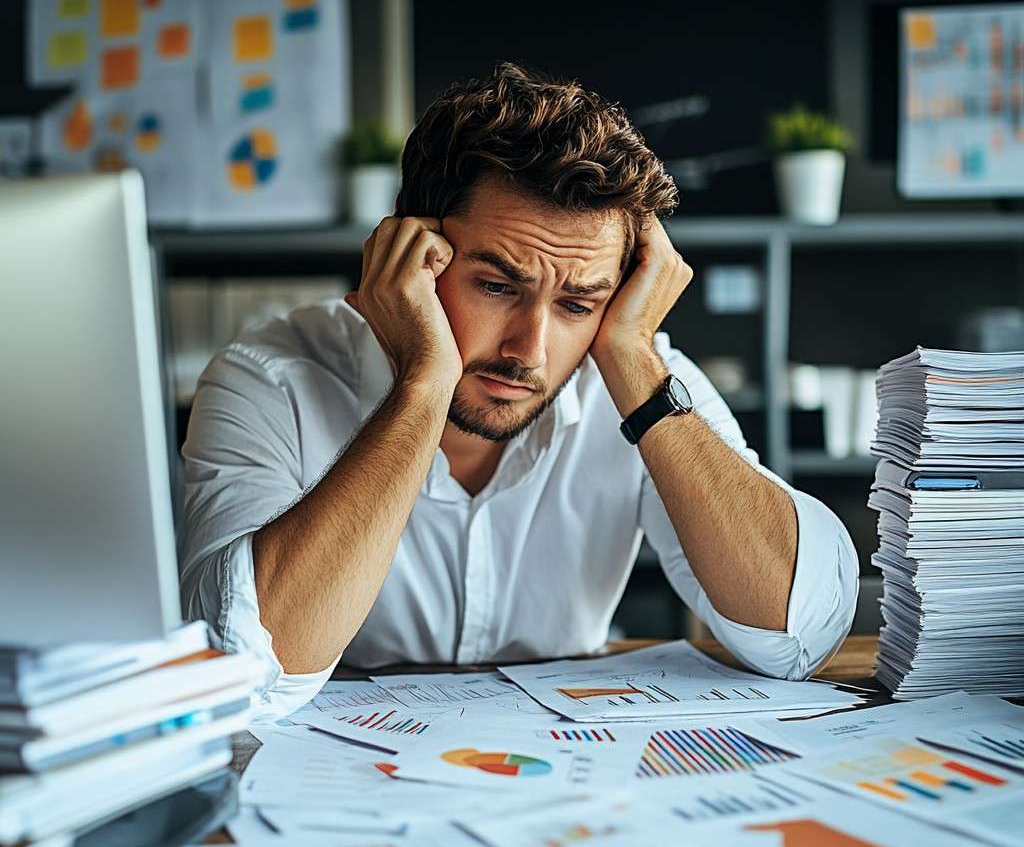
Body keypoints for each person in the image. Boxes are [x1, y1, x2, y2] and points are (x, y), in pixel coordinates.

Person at [179, 63, 858, 719]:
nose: (528, 352)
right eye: (498, 286)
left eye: (578, 304)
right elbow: (247, 672)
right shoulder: (268, 378)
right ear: (409, 252)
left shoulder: (640, 373)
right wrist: (423, 383)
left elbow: (797, 638)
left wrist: (633, 360)